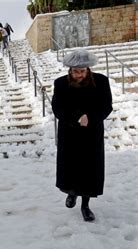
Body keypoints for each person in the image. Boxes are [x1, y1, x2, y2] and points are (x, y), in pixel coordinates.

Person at [51, 50, 113, 222]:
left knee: (89, 169)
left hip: (91, 133)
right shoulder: (61, 83)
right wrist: (76, 117)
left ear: (88, 69)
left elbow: (106, 105)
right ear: (70, 70)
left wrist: (91, 118)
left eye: (83, 71)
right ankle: (71, 192)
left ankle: (85, 205)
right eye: (76, 71)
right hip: (69, 133)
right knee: (71, 166)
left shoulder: (101, 81)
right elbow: (58, 107)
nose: (79, 74)